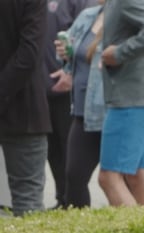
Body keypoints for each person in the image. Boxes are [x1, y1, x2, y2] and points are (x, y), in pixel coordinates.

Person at [98, 0, 144, 207]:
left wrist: (119, 53)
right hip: (136, 94)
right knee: (137, 176)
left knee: (109, 178)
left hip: (130, 97)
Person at [0, 0, 52, 217]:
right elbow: (29, 55)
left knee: (27, 201)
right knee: (28, 204)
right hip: (25, 110)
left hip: (24, 112)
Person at [45, 0, 96, 209]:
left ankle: (74, 205)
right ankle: (62, 200)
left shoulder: (81, 3)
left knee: (70, 151)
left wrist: (70, 72)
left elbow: (87, 38)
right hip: (42, 84)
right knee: (52, 148)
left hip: (67, 87)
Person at [55, 1, 106, 208]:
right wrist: (65, 55)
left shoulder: (127, 17)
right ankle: (81, 232)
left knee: (118, 179)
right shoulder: (88, 15)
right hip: (82, 110)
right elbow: (69, 59)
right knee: (74, 176)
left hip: (111, 110)